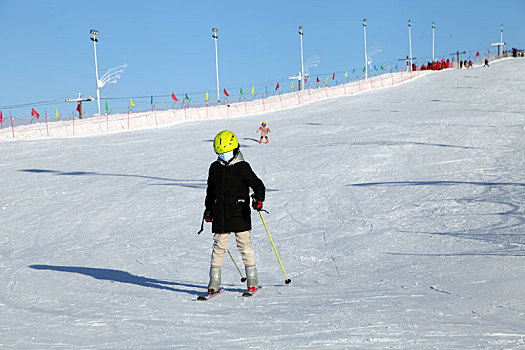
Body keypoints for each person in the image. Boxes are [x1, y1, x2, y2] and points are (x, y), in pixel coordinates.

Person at [203, 130, 266, 295]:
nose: (223, 155)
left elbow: (258, 185)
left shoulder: (242, 167)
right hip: (221, 214)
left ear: (235, 149)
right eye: (220, 153)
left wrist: (258, 199)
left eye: (226, 152)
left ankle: (252, 281)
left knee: (244, 246)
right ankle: (213, 283)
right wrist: (208, 210)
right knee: (219, 247)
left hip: (240, 212)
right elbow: (211, 192)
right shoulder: (215, 168)